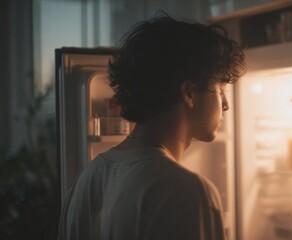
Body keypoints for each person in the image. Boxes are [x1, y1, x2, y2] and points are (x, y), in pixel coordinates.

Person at [57, 13, 245, 240]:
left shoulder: (87, 178)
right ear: (188, 93)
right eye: (220, 89)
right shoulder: (188, 192)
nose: (225, 105)